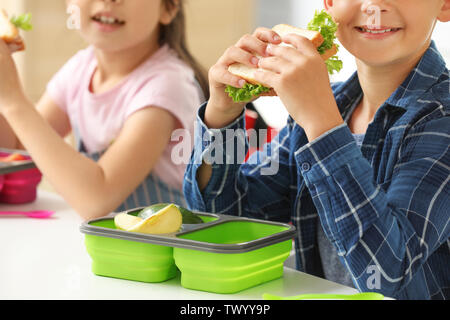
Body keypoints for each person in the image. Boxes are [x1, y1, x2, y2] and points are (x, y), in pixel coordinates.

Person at [183, 0, 450, 300]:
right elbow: (226, 217)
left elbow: (386, 273)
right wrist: (221, 115)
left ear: (444, 6)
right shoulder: (326, 102)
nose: (375, 5)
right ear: (330, 4)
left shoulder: (441, 118)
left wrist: (321, 122)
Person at [0, 0, 208, 220]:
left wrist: (14, 101)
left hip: (166, 247)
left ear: (168, 8)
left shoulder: (167, 85)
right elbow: (16, 148)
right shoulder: (80, 69)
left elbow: (96, 199)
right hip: (108, 244)